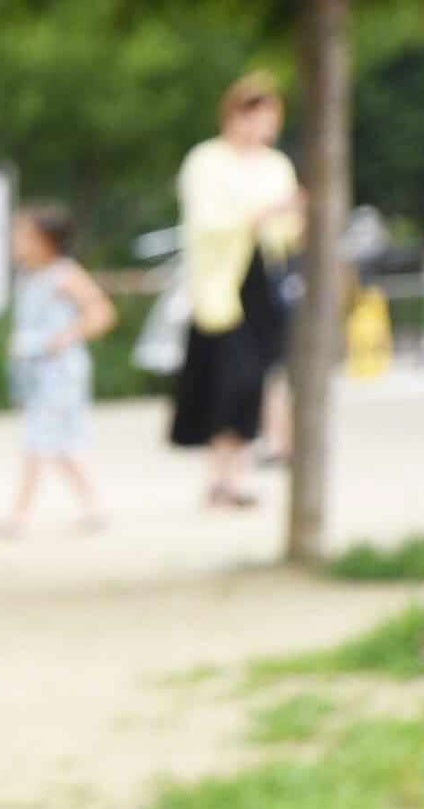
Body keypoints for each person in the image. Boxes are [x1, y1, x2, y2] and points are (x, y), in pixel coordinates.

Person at [171, 74, 304, 511]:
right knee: (227, 378)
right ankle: (220, 474)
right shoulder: (206, 161)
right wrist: (261, 214)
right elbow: (207, 223)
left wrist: (291, 218)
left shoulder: (275, 165)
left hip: (265, 278)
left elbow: (287, 231)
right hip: (222, 284)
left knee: (256, 379)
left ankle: (237, 471)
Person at [0, 206, 114, 536]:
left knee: (38, 438)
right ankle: (94, 507)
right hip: (34, 371)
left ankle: (19, 515)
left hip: (59, 371)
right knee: (62, 443)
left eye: (24, 236)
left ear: (46, 240)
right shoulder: (28, 276)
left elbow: (101, 313)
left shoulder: (65, 274)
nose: (16, 242)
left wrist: (64, 337)